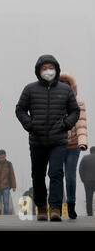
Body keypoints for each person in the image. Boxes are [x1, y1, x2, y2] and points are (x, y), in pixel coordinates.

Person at [16, 55, 80, 221]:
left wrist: (66, 124)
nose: (48, 71)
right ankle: (42, 208)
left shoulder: (65, 90)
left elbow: (75, 111)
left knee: (56, 173)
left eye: (51, 67)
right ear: (38, 71)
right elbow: (20, 109)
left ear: (57, 70)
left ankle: (55, 209)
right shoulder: (30, 89)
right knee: (37, 175)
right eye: (44, 68)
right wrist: (29, 124)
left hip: (58, 141)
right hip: (37, 140)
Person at [59, 72, 88, 219]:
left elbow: (81, 125)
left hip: (73, 146)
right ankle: (56, 206)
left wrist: (83, 142)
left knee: (70, 177)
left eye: (67, 84)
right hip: (56, 144)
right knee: (56, 176)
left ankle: (71, 205)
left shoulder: (78, 103)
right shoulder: (53, 103)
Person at [79, 146, 95, 216]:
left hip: (88, 181)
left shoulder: (85, 158)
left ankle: (90, 214)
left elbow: (80, 170)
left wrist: (83, 180)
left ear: (90, 151)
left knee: (89, 199)